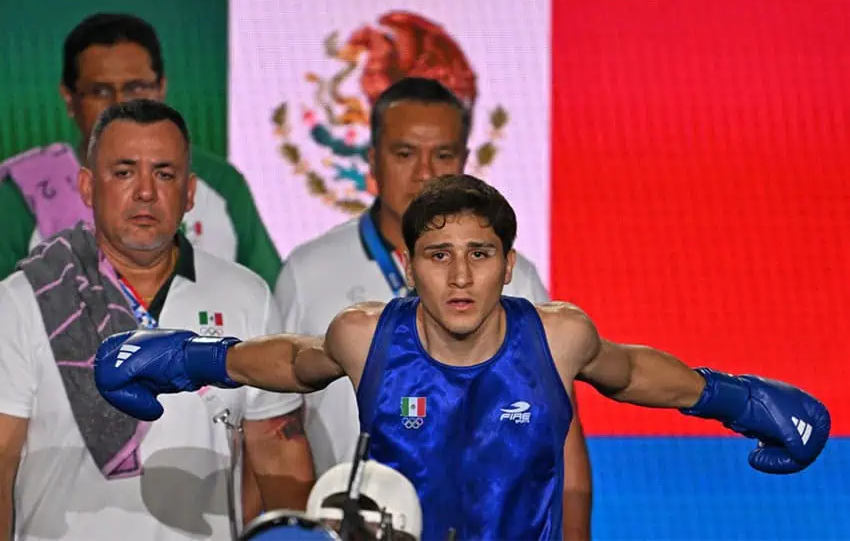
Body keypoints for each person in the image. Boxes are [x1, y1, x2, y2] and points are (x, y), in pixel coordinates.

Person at [94, 174, 830, 541]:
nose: (459, 275)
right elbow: (290, 360)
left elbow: (633, 372)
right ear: (408, 263)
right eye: (438, 255)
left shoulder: (558, 334)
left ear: (508, 265)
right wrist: (183, 358)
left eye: (480, 254)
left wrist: (745, 402)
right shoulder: (365, 333)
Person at [276, 77, 592, 537]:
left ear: (465, 160)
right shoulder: (308, 271)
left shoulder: (516, 277)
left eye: (443, 155)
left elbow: (560, 432)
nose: (425, 172)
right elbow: (279, 426)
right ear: (372, 161)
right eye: (405, 154)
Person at [0, 99, 313, 540]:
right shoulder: (25, 298)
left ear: (189, 193)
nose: (145, 191)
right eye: (124, 172)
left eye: (164, 174)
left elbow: (279, 454)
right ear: (87, 188)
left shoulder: (245, 296)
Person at [0, 12, 282, 287]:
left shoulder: (221, 183)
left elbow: (270, 307)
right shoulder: (24, 194)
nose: (119, 104)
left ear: (161, 88)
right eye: (100, 91)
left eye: (136, 88)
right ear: (69, 98)